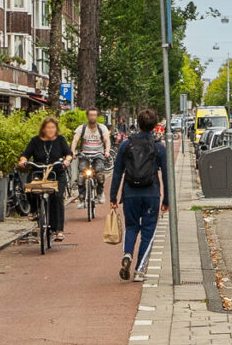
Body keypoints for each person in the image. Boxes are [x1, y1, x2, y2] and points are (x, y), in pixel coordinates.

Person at [110, 109, 171, 280]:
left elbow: (117, 172)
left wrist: (113, 196)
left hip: (130, 192)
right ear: (155, 126)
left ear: (138, 124)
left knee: (131, 227)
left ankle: (128, 253)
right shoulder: (159, 147)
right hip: (151, 193)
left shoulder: (126, 145)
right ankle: (139, 269)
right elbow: (166, 175)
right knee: (148, 231)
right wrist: (166, 199)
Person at [22, 116, 72, 241]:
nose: (50, 130)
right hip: (38, 172)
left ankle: (58, 230)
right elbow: (25, 154)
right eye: (48, 127)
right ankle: (34, 210)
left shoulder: (60, 140)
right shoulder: (35, 141)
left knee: (57, 197)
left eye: (53, 128)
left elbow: (68, 153)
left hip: (56, 173)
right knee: (30, 188)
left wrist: (67, 160)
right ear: (43, 129)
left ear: (56, 129)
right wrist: (23, 161)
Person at [73, 111, 114, 203]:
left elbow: (107, 140)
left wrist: (107, 151)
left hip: (98, 155)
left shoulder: (102, 128)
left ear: (97, 116)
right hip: (85, 155)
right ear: (87, 116)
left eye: (94, 115)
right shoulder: (82, 128)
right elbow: (75, 140)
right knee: (81, 176)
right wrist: (73, 151)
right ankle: (82, 199)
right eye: (91, 115)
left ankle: (100, 194)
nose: (92, 117)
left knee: (99, 175)